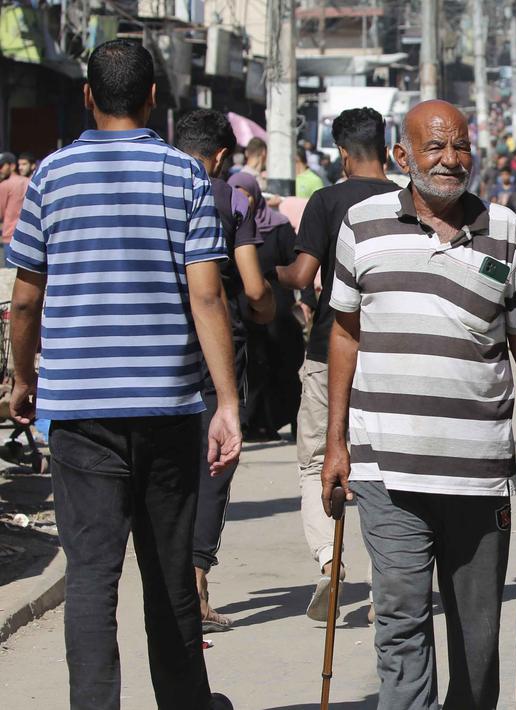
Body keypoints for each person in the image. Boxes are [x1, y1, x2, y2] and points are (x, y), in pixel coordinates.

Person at [7, 39, 238, 709]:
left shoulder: (51, 176)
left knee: (90, 579)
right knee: (169, 578)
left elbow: (25, 298)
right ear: (152, 99)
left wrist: (24, 382)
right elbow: (206, 296)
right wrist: (226, 401)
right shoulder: (183, 175)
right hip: (168, 408)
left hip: (81, 414)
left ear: (86, 96)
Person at [323, 100, 516, 709]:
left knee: (477, 640)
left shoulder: (507, 230)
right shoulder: (361, 223)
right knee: (401, 625)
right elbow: (345, 333)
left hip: (478, 472)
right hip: (387, 468)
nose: (451, 159)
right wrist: (334, 444)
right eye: (435, 147)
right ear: (401, 157)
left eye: (460, 146)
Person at [275, 107, 402, 621]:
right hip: (392, 352)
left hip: (331, 346)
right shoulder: (404, 200)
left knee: (313, 462)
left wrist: (271, 268)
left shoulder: (326, 201)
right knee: (383, 464)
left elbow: (303, 275)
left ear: (343, 155)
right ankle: (385, 584)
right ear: (387, 147)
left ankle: (330, 562)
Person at [174, 108, 276, 633]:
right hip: (220, 349)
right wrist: (267, 312)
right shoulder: (231, 198)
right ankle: (196, 582)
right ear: (219, 156)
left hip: (162, 347)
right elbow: (254, 288)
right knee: (214, 464)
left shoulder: (156, 187)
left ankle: (168, 587)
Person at [226, 170, 304, 440]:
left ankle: (287, 420)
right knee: (251, 368)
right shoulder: (228, 225)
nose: (240, 199)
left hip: (278, 310)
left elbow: (297, 265)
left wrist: (305, 299)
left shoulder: (279, 227)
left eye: (244, 193)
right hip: (242, 311)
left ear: (255, 195)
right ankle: (252, 423)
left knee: (283, 365)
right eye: (235, 193)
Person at [0, 149, 33, 254]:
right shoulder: (29, 181)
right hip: (29, 235)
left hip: (10, 236)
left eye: (1, 166)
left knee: (10, 270)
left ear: (12, 166)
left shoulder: (5, 185)